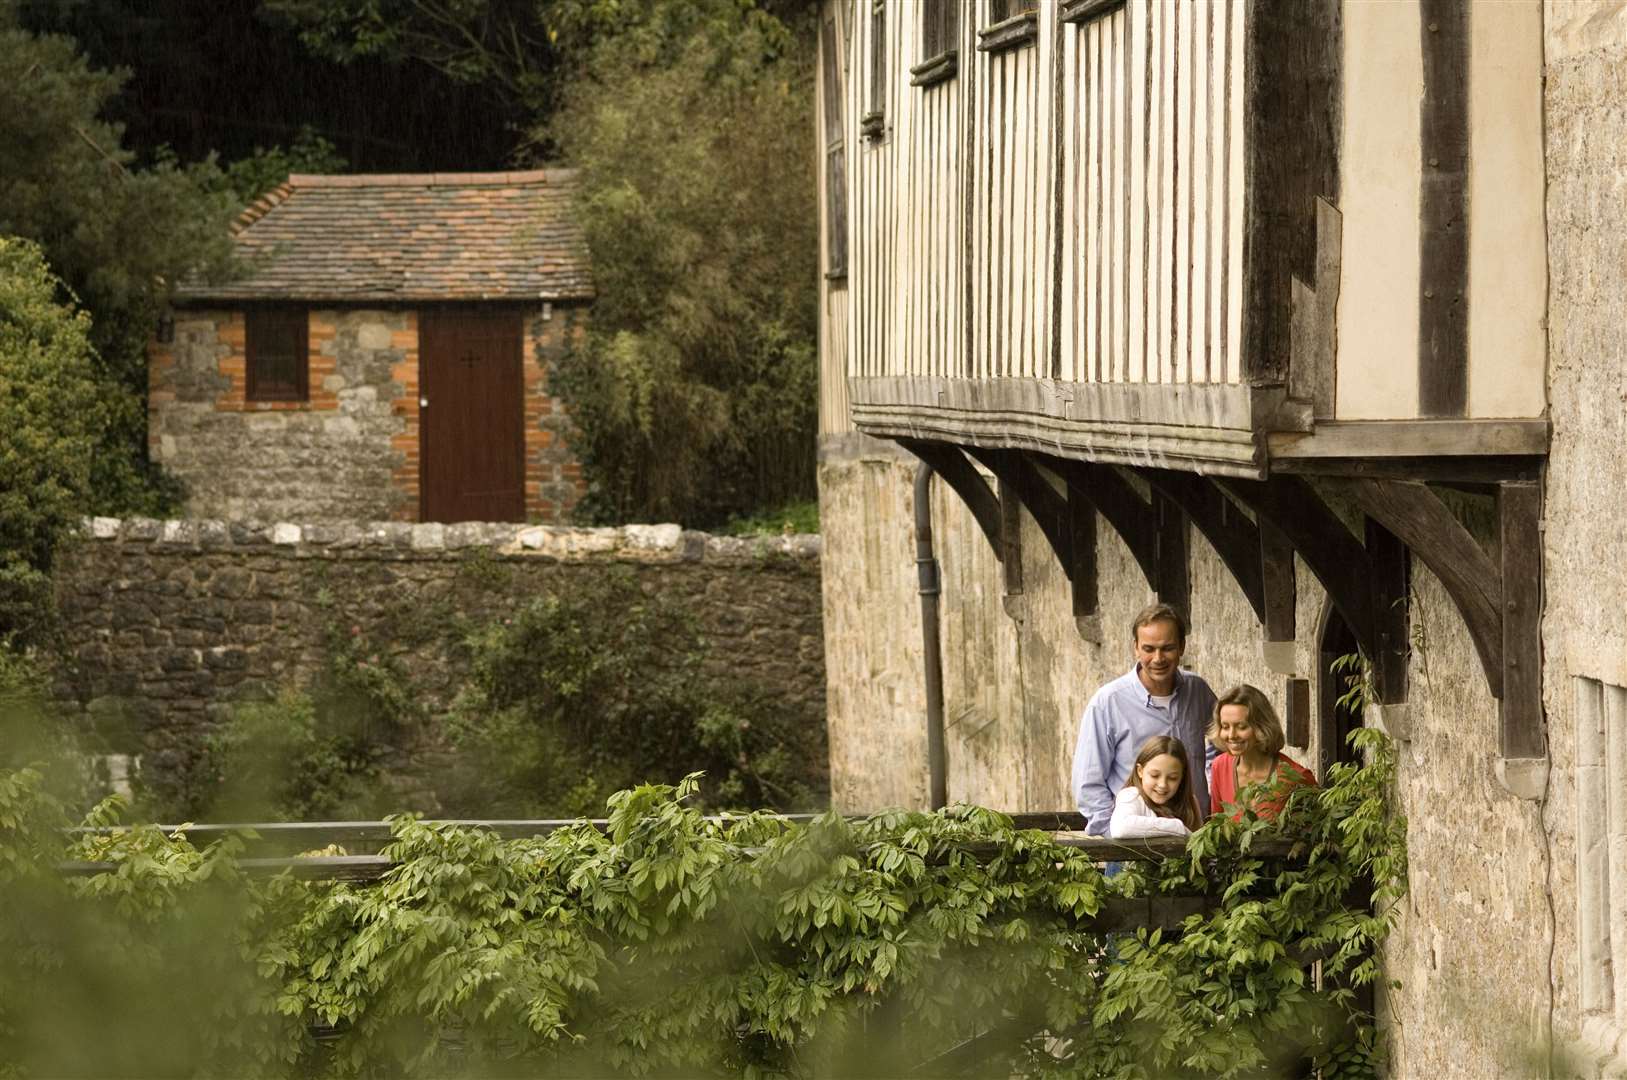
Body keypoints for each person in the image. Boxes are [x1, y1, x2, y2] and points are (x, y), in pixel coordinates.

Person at [1071, 603, 1219, 835]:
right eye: (1149, 648)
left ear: (1182, 646)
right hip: (1135, 849)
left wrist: (1209, 801)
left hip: (1195, 843)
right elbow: (1088, 785)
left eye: (1167, 648)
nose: (1158, 658)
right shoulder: (1108, 702)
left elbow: (1221, 748)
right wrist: (1117, 839)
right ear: (1136, 648)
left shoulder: (1198, 692)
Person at [1207, 683, 1317, 819]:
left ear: (1262, 727)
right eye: (1225, 726)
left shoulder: (1297, 777)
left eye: (1241, 727)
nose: (1231, 735)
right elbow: (1216, 826)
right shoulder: (1219, 766)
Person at [1108, 735, 1203, 838]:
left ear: (1182, 777)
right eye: (1154, 775)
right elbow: (1120, 827)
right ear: (1140, 771)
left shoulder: (1190, 802)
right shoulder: (1132, 795)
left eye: (1172, 778)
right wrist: (1177, 827)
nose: (1162, 785)